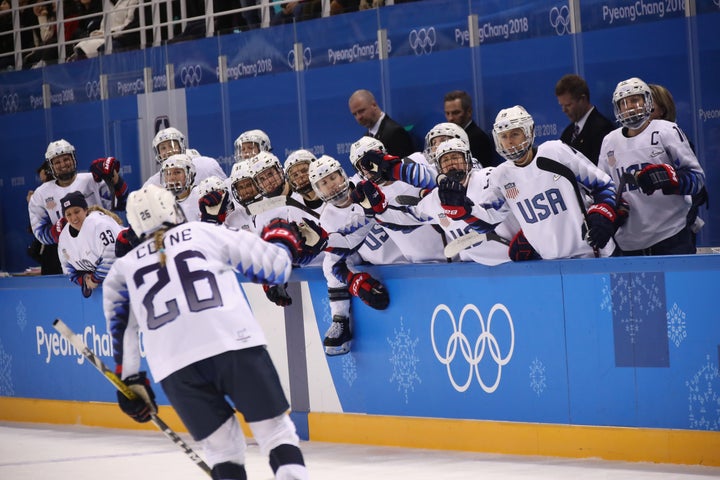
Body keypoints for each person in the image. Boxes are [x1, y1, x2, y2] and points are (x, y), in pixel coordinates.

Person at [103, 184, 324, 480]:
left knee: (222, 451)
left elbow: (122, 333)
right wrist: (283, 240)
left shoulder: (121, 269)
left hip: (174, 366)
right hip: (233, 342)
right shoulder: (201, 231)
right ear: (173, 209)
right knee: (274, 432)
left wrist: (129, 382)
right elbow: (274, 269)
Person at [361, 105, 619, 260]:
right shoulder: (502, 176)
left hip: (593, 256)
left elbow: (604, 185)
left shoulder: (555, 152)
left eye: (515, 134)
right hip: (549, 264)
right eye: (504, 137)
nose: (510, 142)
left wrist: (604, 212)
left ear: (529, 132)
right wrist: (465, 212)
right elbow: (488, 220)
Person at [598, 77, 705, 256]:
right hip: (629, 243)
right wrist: (609, 211)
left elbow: (697, 178)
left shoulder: (666, 131)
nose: (629, 106)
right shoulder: (610, 141)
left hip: (670, 235)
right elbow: (604, 187)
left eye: (635, 100)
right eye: (623, 103)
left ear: (647, 101)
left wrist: (668, 178)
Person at [308, 155, 390, 355]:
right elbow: (336, 265)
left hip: (409, 252)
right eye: (324, 183)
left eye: (332, 177)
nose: (332, 185)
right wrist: (355, 281)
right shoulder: (327, 218)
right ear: (318, 190)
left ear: (342, 175)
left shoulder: (367, 184)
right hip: (381, 265)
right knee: (329, 262)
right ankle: (340, 319)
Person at [28, 139, 129, 259]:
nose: (63, 164)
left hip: (105, 244)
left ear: (73, 159)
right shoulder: (41, 194)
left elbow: (121, 203)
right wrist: (56, 231)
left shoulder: (92, 180)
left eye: (66, 159)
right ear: (51, 166)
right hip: (72, 253)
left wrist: (113, 175)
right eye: (57, 162)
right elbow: (40, 232)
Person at [648, 83, 708, 246]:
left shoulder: (676, 139)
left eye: (649, 105)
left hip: (675, 233)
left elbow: (696, 187)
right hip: (644, 231)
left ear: (662, 109)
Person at [57, 190, 124, 297]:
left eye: (77, 211)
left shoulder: (99, 224)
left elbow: (112, 256)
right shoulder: (64, 238)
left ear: (85, 210)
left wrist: (94, 279)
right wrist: (84, 279)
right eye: (68, 214)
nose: (73, 218)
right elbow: (68, 268)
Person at [555, 74, 615, 165]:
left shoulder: (603, 129)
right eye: (561, 105)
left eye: (568, 105)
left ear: (582, 99)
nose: (564, 110)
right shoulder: (567, 133)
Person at [145, 127, 226, 188]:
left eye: (172, 145)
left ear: (181, 146)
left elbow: (227, 192)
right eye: (163, 148)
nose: (168, 151)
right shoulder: (152, 184)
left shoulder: (206, 165)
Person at [348, 89, 415, 158]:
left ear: (374, 105)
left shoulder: (395, 132)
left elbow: (404, 167)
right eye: (355, 114)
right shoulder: (366, 137)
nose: (359, 117)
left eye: (361, 111)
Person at [443, 90, 497, 167]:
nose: (450, 118)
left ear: (469, 112)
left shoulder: (479, 138)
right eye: (447, 113)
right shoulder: (449, 138)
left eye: (456, 113)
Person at [70, 0, 139, 59]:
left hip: (118, 36)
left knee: (87, 46)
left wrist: (109, 32)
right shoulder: (107, 3)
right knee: (82, 44)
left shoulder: (133, 1)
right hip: (105, 35)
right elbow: (103, 25)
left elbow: (128, 24)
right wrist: (99, 33)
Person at [160, 153, 201, 221]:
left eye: (177, 172)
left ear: (189, 174)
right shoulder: (163, 204)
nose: (172, 178)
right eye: (168, 173)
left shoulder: (202, 196)